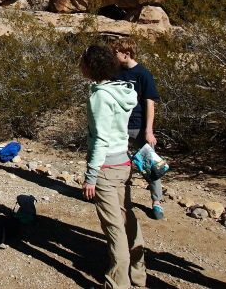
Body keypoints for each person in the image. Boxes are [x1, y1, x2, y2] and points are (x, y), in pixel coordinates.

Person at [80, 44, 146, 289]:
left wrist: (91, 176)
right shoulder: (122, 89)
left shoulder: (100, 96)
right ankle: (139, 274)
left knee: (114, 226)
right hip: (123, 161)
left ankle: (118, 282)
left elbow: (100, 139)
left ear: (90, 66)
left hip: (106, 167)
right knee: (127, 217)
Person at [111, 37, 165, 220]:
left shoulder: (143, 74)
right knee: (121, 165)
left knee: (151, 166)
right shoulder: (115, 73)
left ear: (126, 54)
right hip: (119, 127)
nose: (114, 56)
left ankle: (157, 202)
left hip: (138, 126)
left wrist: (148, 130)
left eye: (116, 53)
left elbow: (150, 103)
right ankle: (122, 199)